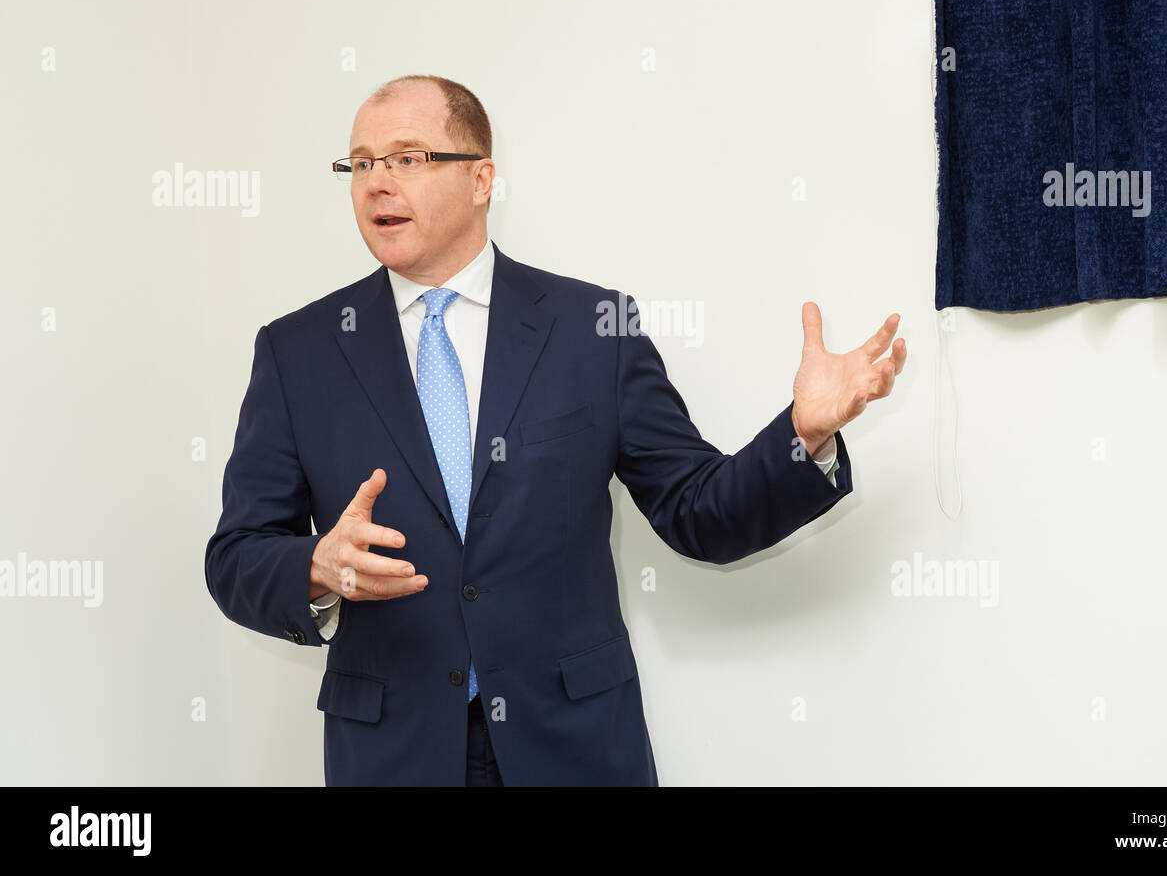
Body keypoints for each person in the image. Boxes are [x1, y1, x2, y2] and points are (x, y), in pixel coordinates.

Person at [204, 74, 906, 786]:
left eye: (407, 158)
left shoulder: (592, 329)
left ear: (481, 179)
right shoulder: (299, 351)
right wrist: (317, 567)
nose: (377, 183)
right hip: (393, 756)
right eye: (360, 163)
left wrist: (803, 433)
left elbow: (699, 512)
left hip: (574, 748)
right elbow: (236, 556)